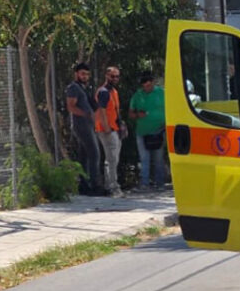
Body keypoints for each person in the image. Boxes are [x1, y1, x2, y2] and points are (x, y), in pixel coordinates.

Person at [65, 63, 103, 196]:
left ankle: (83, 185)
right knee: (95, 153)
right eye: (82, 74)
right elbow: (71, 107)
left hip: (88, 125)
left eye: (87, 74)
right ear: (76, 74)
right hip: (81, 125)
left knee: (84, 156)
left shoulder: (84, 88)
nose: (85, 76)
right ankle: (95, 186)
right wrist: (86, 114)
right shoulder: (73, 88)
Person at [128, 73, 166, 191]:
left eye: (149, 86)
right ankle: (145, 184)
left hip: (159, 131)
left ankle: (160, 183)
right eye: (145, 86)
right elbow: (130, 113)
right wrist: (138, 115)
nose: (147, 88)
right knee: (144, 159)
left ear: (153, 83)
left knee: (158, 158)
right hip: (142, 132)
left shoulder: (162, 93)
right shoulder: (138, 95)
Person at [95, 66, 126, 197]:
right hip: (107, 130)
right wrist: (107, 127)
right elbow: (101, 111)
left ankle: (110, 185)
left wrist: (121, 124)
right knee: (112, 159)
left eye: (117, 76)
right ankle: (112, 187)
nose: (115, 79)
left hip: (115, 128)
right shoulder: (103, 92)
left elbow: (115, 110)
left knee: (113, 159)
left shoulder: (113, 91)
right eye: (112, 76)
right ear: (106, 76)